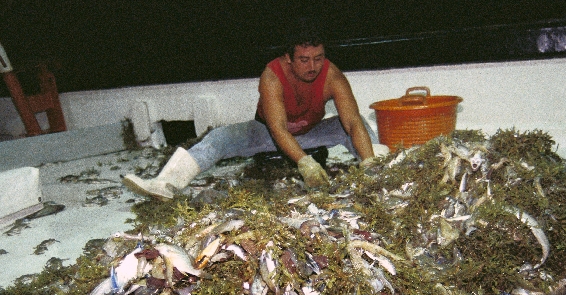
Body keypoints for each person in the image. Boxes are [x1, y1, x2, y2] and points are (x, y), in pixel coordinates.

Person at [122, 23, 388, 200]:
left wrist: (368, 164)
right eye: (304, 60)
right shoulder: (271, 77)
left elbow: (351, 122)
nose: (313, 66)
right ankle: (165, 184)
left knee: (358, 125)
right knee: (219, 138)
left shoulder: (333, 75)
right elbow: (278, 129)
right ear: (288, 58)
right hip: (266, 134)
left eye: (318, 58)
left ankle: (382, 172)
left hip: (312, 131)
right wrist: (304, 162)